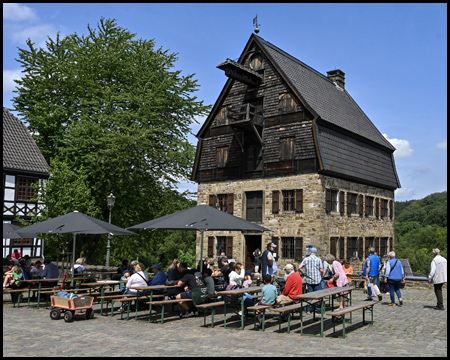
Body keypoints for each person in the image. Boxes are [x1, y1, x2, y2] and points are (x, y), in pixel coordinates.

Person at [300, 247, 323, 314]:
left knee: (309, 294)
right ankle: (316, 309)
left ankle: (309, 309)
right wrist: (321, 276)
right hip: (317, 279)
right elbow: (321, 270)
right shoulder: (318, 259)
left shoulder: (306, 259)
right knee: (317, 294)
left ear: (310, 253)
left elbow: (299, 267)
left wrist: (304, 273)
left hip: (309, 279)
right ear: (316, 253)